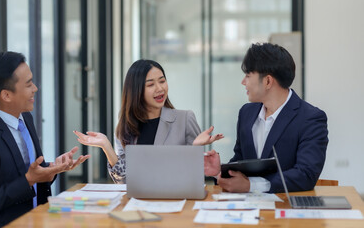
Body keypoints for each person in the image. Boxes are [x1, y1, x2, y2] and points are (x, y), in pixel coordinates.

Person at [0, 51, 90, 227]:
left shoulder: (25, 118)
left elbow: (26, 171)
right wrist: (29, 180)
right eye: (28, 84)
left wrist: (52, 169)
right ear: (6, 95)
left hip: (37, 220)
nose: (35, 88)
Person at [204, 43, 328, 193]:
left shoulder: (310, 118)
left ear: (268, 81)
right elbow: (241, 162)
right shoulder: (246, 113)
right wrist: (220, 171)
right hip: (248, 210)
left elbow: (306, 175)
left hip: (287, 209)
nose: (243, 82)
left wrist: (252, 186)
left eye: (248, 76)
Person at [74, 59, 223, 183]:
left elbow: (196, 173)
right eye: (151, 84)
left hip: (179, 203)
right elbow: (124, 182)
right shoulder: (125, 127)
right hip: (140, 205)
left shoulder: (185, 119)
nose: (160, 88)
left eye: (162, 81)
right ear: (136, 91)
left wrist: (195, 147)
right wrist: (106, 146)